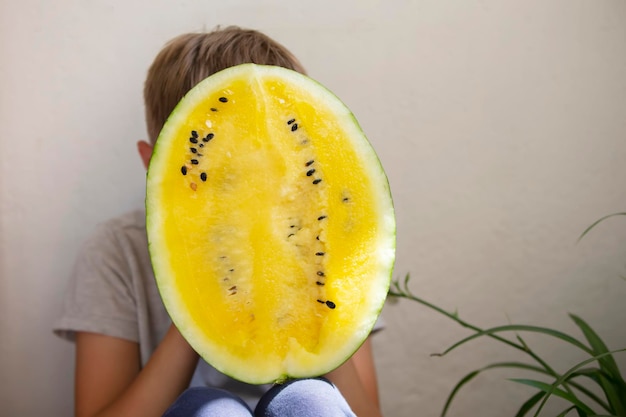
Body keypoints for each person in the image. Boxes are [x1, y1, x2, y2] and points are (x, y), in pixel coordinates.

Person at [54, 26, 384, 417]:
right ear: (151, 165)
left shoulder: (330, 245)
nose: (248, 197)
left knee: (311, 402)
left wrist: (319, 311)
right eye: (222, 176)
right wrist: (200, 308)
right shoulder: (117, 251)